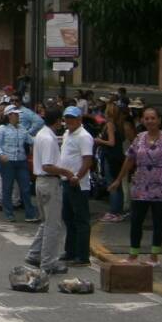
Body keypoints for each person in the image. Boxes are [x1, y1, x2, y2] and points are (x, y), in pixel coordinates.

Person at [109, 106, 162, 266]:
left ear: (159, 120)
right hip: (140, 187)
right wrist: (118, 179)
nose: (149, 121)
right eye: (146, 118)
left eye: (153, 118)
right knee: (136, 221)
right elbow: (129, 159)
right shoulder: (139, 138)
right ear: (142, 120)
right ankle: (133, 255)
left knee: (158, 222)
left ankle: (154, 257)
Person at [26, 107, 72, 274]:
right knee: (53, 225)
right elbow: (47, 165)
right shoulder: (48, 139)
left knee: (46, 222)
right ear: (57, 121)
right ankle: (48, 262)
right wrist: (65, 172)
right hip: (49, 181)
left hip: (42, 181)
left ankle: (34, 253)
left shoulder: (43, 135)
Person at [59, 106, 94, 268]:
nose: (69, 121)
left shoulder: (84, 136)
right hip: (66, 180)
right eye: (67, 118)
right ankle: (70, 251)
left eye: (73, 118)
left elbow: (87, 160)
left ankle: (82, 255)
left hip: (77, 183)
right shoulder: (67, 133)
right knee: (68, 217)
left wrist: (77, 176)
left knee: (81, 219)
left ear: (79, 120)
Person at [0, 107, 39, 223]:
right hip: (7, 162)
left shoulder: (22, 129)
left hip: (21, 161)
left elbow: (31, 140)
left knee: (25, 188)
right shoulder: (2, 129)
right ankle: (9, 213)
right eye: (16, 115)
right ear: (9, 116)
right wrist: (1, 154)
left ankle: (30, 213)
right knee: (7, 187)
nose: (18, 117)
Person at [95, 101, 127, 222]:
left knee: (112, 184)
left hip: (111, 157)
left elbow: (111, 142)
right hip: (118, 157)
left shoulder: (109, 124)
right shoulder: (119, 124)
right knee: (117, 184)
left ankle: (114, 211)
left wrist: (99, 140)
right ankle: (118, 210)